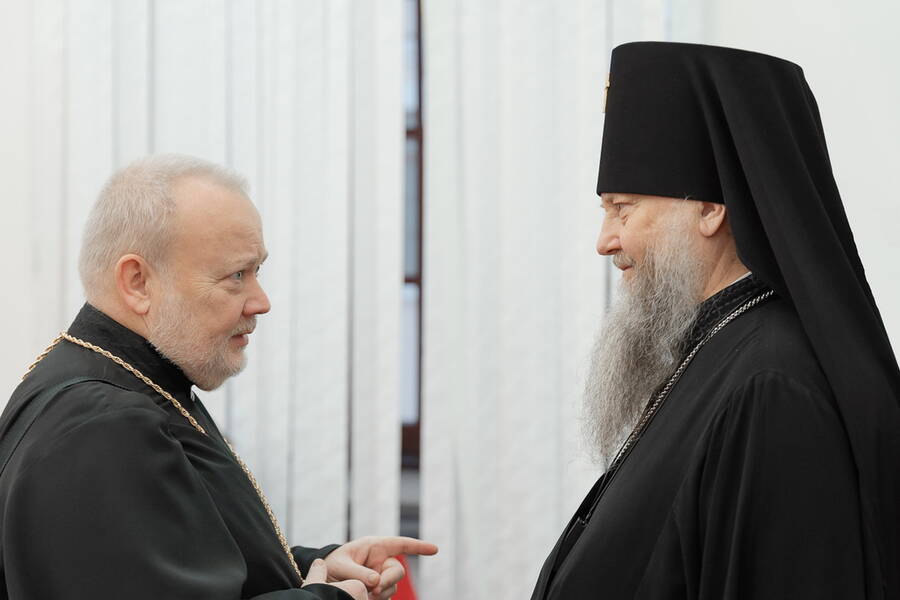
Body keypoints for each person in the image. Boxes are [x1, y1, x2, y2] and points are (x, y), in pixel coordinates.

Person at [531, 42, 900, 599]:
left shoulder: (771, 387)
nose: (605, 241)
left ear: (709, 208)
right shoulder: (716, 346)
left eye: (623, 208)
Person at [0, 155, 437, 600]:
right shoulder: (104, 424)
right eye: (236, 275)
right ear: (138, 282)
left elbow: (175, 561)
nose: (261, 301)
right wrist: (332, 598)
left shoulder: (136, 383)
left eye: (257, 271)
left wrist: (312, 565)